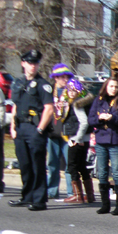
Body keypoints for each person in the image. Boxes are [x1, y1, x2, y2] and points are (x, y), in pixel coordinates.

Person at [9, 49, 54, 211]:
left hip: (35, 128)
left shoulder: (43, 85)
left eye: (35, 63)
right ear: (23, 63)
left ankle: (39, 200)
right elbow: (15, 106)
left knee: (37, 165)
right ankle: (26, 196)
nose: (33, 66)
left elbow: (49, 109)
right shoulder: (18, 82)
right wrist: (13, 127)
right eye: (30, 63)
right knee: (25, 164)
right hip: (21, 127)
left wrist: (40, 130)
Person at [89, 78, 118, 215]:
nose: (113, 88)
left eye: (115, 86)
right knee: (102, 172)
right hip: (101, 139)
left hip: (115, 141)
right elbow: (90, 119)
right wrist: (100, 118)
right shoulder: (99, 100)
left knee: (117, 172)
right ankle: (105, 204)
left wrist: (112, 118)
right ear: (106, 87)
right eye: (111, 86)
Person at [59, 79, 95, 204]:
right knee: (82, 166)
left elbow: (84, 122)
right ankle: (90, 195)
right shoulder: (82, 102)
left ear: (79, 91)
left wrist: (76, 138)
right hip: (83, 139)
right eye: (69, 90)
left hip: (77, 139)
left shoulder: (77, 104)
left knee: (72, 166)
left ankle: (78, 195)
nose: (71, 93)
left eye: (74, 90)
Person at [46, 64, 73, 200]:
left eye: (67, 77)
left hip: (67, 133)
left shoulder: (72, 91)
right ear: (55, 78)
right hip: (52, 132)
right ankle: (51, 190)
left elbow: (87, 99)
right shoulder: (49, 91)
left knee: (69, 164)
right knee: (52, 163)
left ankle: (71, 192)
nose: (65, 80)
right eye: (62, 77)